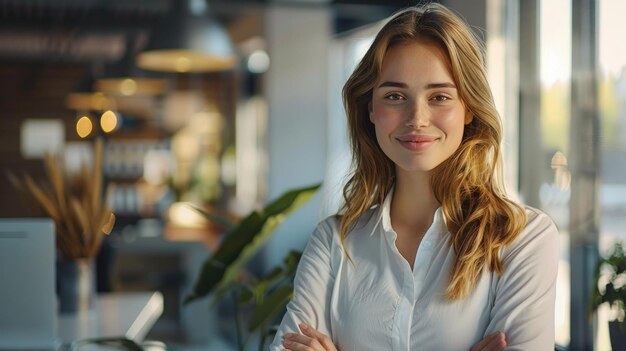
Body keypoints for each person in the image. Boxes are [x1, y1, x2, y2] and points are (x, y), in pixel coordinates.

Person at [269, 3, 559, 351]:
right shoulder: (333, 243)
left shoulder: (523, 240)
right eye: (394, 96)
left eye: (439, 96)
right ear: (370, 110)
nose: (417, 118)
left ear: (468, 108)